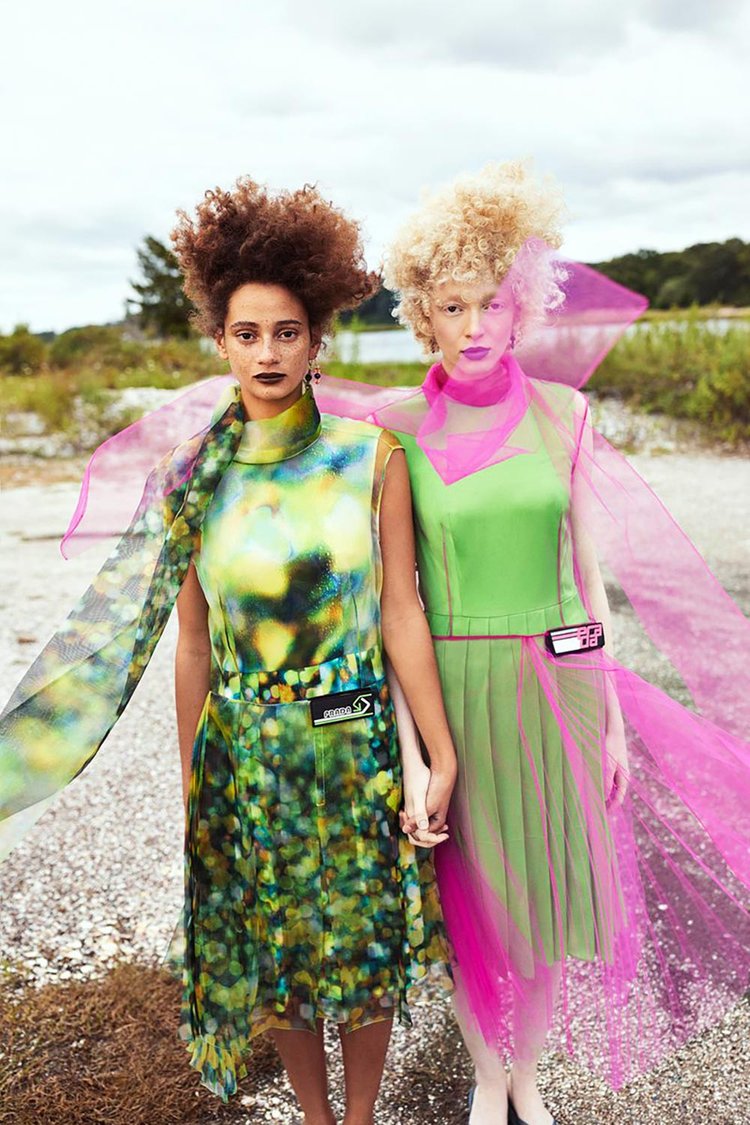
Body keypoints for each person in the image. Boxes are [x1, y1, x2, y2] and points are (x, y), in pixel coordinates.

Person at [0, 178, 457, 1125]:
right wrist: (189, 773)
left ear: (318, 338)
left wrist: (440, 752)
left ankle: (361, 1120)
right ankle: (318, 1117)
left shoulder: (373, 457)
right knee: (281, 960)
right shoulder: (194, 478)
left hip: (358, 740)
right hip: (245, 752)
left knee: (365, 950)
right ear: (219, 340)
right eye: (248, 333)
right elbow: (193, 644)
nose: (268, 352)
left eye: (287, 331)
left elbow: (403, 611)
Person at [313, 161, 750, 1125]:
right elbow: (397, 601)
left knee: (546, 898)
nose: (474, 327)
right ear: (425, 314)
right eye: (453, 306)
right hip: (452, 685)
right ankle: (483, 1075)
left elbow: (585, 575)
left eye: (492, 306)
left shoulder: (569, 415)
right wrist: (410, 739)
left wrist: (615, 722)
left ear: (522, 313)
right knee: (474, 907)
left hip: (559, 681)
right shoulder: (392, 426)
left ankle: (529, 1080)